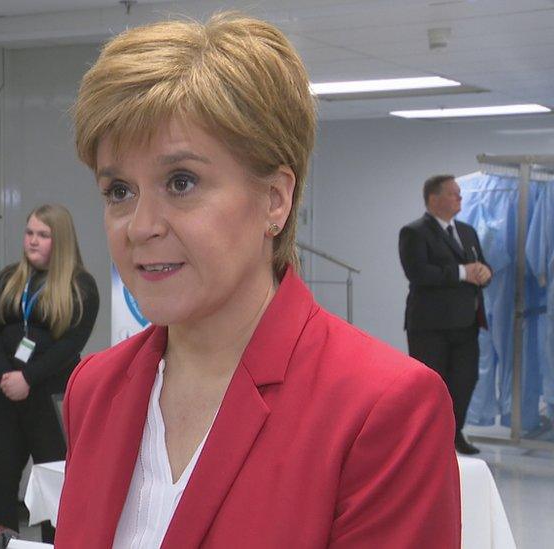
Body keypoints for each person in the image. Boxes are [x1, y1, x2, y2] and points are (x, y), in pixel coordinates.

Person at [56, 12, 461, 548]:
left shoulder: (381, 410)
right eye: (119, 191)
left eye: (181, 182)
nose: (142, 227)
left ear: (275, 198)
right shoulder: (96, 388)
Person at [0, 204, 99, 542]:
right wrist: (6, 375)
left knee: (53, 484)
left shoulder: (81, 286)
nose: (32, 241)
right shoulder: (9, 278)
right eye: (29, 233)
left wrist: (28, 379)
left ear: (60, 240)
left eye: (42, 235)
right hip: (5, 395)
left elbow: (71, 343)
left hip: (50, 396)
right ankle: (1, 543)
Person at [399, 175, 492, 455]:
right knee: (431, 386)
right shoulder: (414, 232)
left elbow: (481, 266)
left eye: (459, 194)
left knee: (465, 380)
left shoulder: (466, 231)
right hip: (430, 326)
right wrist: (464, 272)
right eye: (454, 194)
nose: (460, 199)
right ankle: (427, 440)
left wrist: (486, 274)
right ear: (433, 199)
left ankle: (454, 432)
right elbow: (418, 273)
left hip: (466, 323)